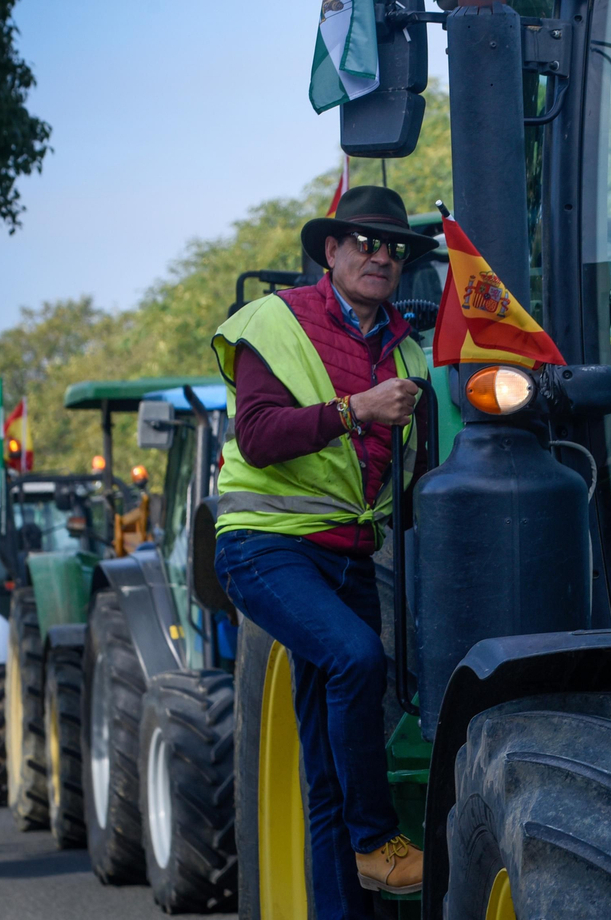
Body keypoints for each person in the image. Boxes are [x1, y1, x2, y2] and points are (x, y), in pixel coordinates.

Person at [209, 185, 437, 918]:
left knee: (325, 777)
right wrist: (356, 411)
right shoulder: (274, 323)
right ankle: (377, 843)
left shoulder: (407, 352)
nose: (380, 256)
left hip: (349, 557)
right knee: (355, 657)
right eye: (364, 242)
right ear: (330, 251)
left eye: (394, 247)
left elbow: (412, 474)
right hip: (266, 547)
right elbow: (260, 436)